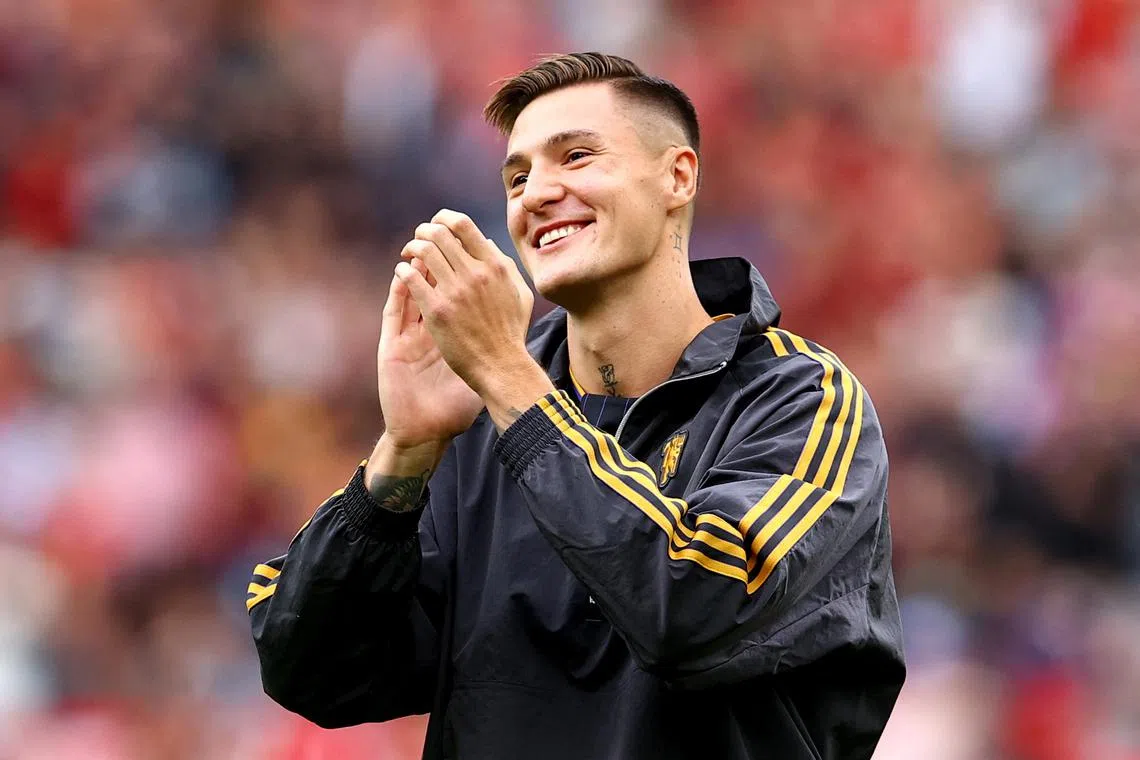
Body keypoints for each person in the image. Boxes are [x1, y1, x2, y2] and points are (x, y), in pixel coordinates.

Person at [248, 52, 905, 760]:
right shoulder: (476, 428)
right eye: (518, 176)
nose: (535, 193)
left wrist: (509, 378)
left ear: (676, 176)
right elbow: (311, 670)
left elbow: (693, 608)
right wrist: (403, 452)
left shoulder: (802, 399)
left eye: (578, 156)